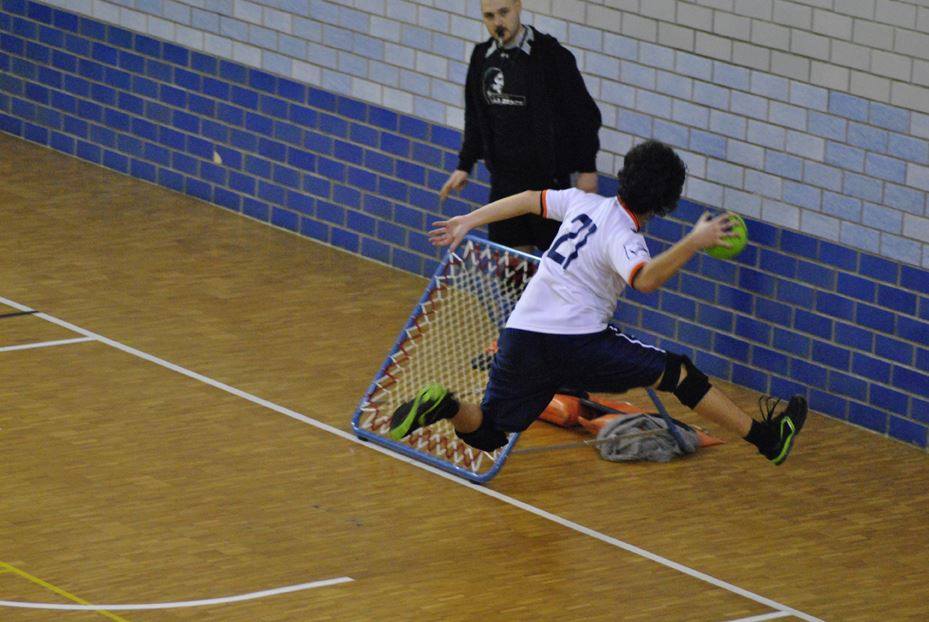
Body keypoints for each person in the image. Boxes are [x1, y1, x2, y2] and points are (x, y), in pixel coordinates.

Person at [391, 140, 807, 465]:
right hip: (575, 342)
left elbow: (527, 198)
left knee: (491, 431)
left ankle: (445, 404)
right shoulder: (624, 236)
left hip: (521, 331)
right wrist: (693, 242)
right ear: (665, 203)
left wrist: (469, 219)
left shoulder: (581, 202)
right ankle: (767, 439)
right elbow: (644, 280)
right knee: (679, 373)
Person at [440, 0, 602, 253]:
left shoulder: (550, 55)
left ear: (518, 6)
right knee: (511, 269)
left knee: (555, 269)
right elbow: (475, 115)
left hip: (549, 182)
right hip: (504, 182)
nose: (498, 23)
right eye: (490, 16)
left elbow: (583, 113)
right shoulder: (482, 56)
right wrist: (465, 164)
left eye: (503, 13)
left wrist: (587, 168)